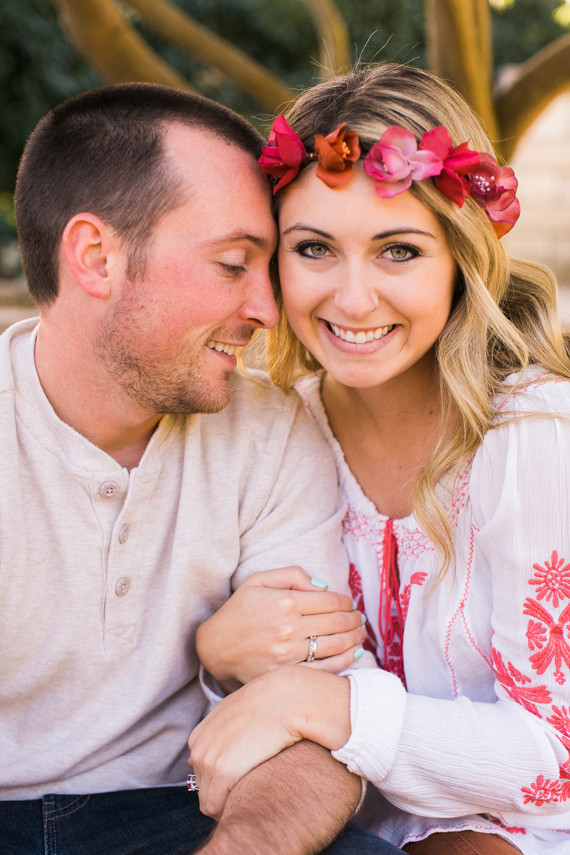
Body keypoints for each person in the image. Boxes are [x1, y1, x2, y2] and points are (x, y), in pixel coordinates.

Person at [0, 81, 406, 855]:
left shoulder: (272, 432)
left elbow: (317, 725)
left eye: (272, 266)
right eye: (232, 264)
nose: (268, 307)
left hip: (184, 815)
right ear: (96, 257)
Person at [190, 63, 570, 855]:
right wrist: (220, 658)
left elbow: (554, 759)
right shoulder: (271, 430)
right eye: (316, 248)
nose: (354, 299)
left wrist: (326, 706)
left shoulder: (530, 436)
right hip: (340, 819)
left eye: (398, 251)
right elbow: (242, 719)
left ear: (461, 258)